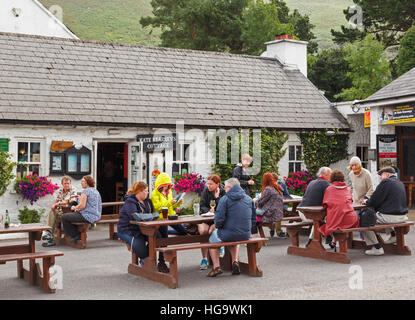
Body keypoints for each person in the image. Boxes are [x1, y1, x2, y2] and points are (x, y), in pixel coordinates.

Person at [207, 178, 258, 277]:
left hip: (229, 234)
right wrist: (253, 232)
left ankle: (216, 267)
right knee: (234, 237)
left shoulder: (224, 199)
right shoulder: (249, 199)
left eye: (225, 188)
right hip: (245, 234)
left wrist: (216, 226)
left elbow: (219, 220)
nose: (225, 190)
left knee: (213, 238)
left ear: (229, 188)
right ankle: (235, 262)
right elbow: (253, 218)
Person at [117, 181, 169, 273]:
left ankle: (157, 262)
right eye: (145, 191)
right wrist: (152, 216)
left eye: (147, 191)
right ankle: (145, 260)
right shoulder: (130, 201)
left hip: (145, 228)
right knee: (142, 250)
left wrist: (151, 216)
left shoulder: (147, 201)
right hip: (128, 230)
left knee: (159, 238)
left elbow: (151, 214)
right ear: (139, 191)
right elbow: (135, 216)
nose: (147, 193)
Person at [362, 166, 409, 256]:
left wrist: (366, 201)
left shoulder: (385, 182)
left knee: (364, 220)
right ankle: (393, 235)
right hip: (402, 216)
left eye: (381, 175)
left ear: (387, 175)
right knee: (378, 215)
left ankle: (377, 248)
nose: (380, 178)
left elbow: (373, 201)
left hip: (390, 217)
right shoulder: (400, 183)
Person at [319, 170, 359, 247]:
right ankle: (335, 240)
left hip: (337, 219)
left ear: (332, 179)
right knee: (340, 219)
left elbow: (325, 204)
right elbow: (350, 201)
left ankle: (332, 239)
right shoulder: (348, 189)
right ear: (342, 178)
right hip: (351, 219)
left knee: (332, 220)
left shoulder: (329, 189)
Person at [61, 176, 102, 243]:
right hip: (96, 216)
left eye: (83, 181)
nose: (81, 183)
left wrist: (74, 207)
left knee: (64, 217)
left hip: (87, 216)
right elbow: (89, 202)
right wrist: (79, 198)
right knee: (71, 215)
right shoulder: (95, 191)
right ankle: (76, 235)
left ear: (87, 183)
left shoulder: (85, 191)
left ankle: (76, 235)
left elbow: (82, 206)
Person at [298, 167, 332, 247]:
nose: (332, 176)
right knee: (327, 218)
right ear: (324, 174)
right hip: (309, 214)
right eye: (330, 174)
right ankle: (328, 236)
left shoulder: (312, 182)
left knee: (319, 219)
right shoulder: (326, 184)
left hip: (302, 212)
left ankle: (311, 241)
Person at [198, 174, 226, 270]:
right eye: (208, 184)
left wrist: (217, 198)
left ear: (217, 184)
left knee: (212, 230)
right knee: (203, 231)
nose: (208, 186)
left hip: (218, 220)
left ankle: (220, 246)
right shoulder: (206, 191)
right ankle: (204, 258)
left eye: (211, 184)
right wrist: (208, 211)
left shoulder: (223, 191)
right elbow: (202, 206)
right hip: (207, 218)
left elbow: (224, 208)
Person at [42, 176, 78, 247]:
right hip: (60, 212)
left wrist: (58, 203)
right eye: (65, 183)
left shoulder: (73, 190)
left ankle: (48, 234)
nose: (67, 185)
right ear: (62, 184)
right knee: (52, 212)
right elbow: (55, 202)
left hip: (69, 212)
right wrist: (54, 205)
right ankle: (49, 234)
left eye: (68, 183)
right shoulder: (59, 191)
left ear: (70, 183)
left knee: (53, 215)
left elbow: (72, 201)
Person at [348, 156, 374, 239]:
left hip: (365, 201)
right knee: (355, 218)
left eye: (356, 165)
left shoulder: (366, 174)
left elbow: (371, 188)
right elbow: (353, 187)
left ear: (359, 165)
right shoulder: (351, 174)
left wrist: (365, 198)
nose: (354, 167)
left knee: (363, 219)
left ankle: (363, 238)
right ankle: (361, 238)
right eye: (352, 165)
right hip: (356, 201)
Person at [256, 172, 286, 239]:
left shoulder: (268, 189)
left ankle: (252, 236)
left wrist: (255, 202)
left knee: (253, 217)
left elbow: (260, 202)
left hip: (271, 213)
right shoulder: (277, 187)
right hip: (278, 212)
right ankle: (273, 227)